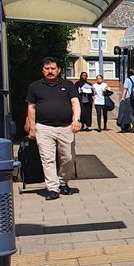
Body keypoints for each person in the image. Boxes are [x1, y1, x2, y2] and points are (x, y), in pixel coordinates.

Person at [25, 56, 81, 200]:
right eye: (47, 69)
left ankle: (63, 182)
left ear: (59, 70)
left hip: (66, 127)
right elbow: (31, 108)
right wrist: (32, 127)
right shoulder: (35, 86)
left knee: (68, 158)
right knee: (47, 159)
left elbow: (75, 103)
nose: (50, 71)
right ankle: (53, 188)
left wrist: (76, 120)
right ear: (43, 70)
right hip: (44, 128)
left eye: (53, 69)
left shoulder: (68, 85)